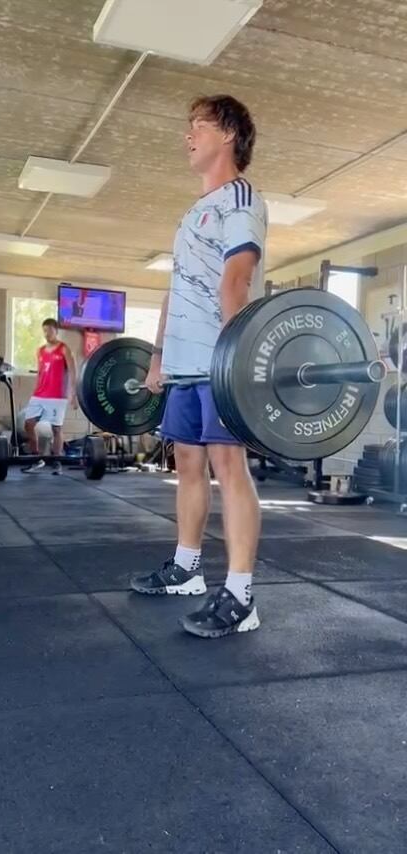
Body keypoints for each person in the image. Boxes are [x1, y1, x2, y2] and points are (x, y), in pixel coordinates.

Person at [131, 95, 268, 639]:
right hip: (185, 364)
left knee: (229, 466)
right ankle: (187, 569)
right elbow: (175, 289)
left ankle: (240, 594)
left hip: (218, 359)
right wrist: (159, 355)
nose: (188, 136)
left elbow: (237, 278)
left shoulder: (241, 198)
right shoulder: (191, 213)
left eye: (199, 126)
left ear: (228, 134)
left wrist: (235, 358)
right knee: (187, 462)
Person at [22, 318, 77, 475]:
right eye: (45, 331)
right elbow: (40, 373)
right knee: (28, 424)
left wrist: (73, 393)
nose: (47, 334)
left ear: (56, 331)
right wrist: (35, 390)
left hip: (57, 396)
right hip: (40, 394)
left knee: (56, 428)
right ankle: (36, 458)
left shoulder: (64, 349)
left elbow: (73, 372)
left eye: (50, 331)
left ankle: (57, 461)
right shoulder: (40, 351)